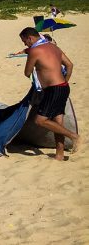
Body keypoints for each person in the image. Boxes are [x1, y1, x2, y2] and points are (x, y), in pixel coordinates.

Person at [20, 27, 81, 160]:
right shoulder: (54, 47)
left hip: (53, 90)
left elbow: (27, 73)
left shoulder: (34, 51)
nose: (25, 44)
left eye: (24, 41)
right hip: (63, 87)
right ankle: (59, 155)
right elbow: (69, 65)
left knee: (40, 120)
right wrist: (65, 81)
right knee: (57, 121)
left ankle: (73, 136)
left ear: (30, 38)